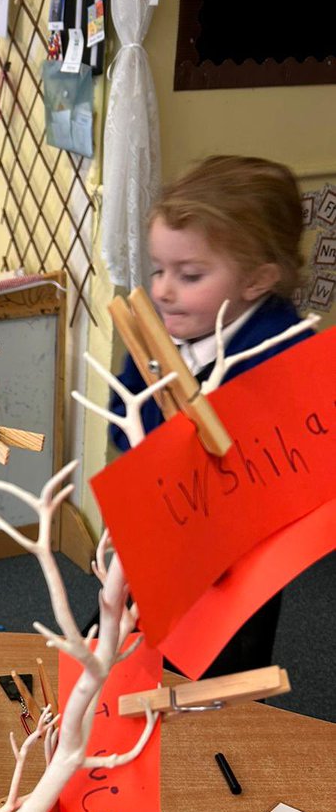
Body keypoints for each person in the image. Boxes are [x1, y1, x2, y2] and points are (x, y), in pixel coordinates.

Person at [107, 154, 316, 676]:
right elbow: (119, 415)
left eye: (190, 274)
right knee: (117, 654)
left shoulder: (287, 353)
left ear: (257, 280)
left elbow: (289, 473)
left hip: (236, 577)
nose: (162, 290)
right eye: (158, 270)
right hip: (158, 540)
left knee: (216, 683)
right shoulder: (161, 331)